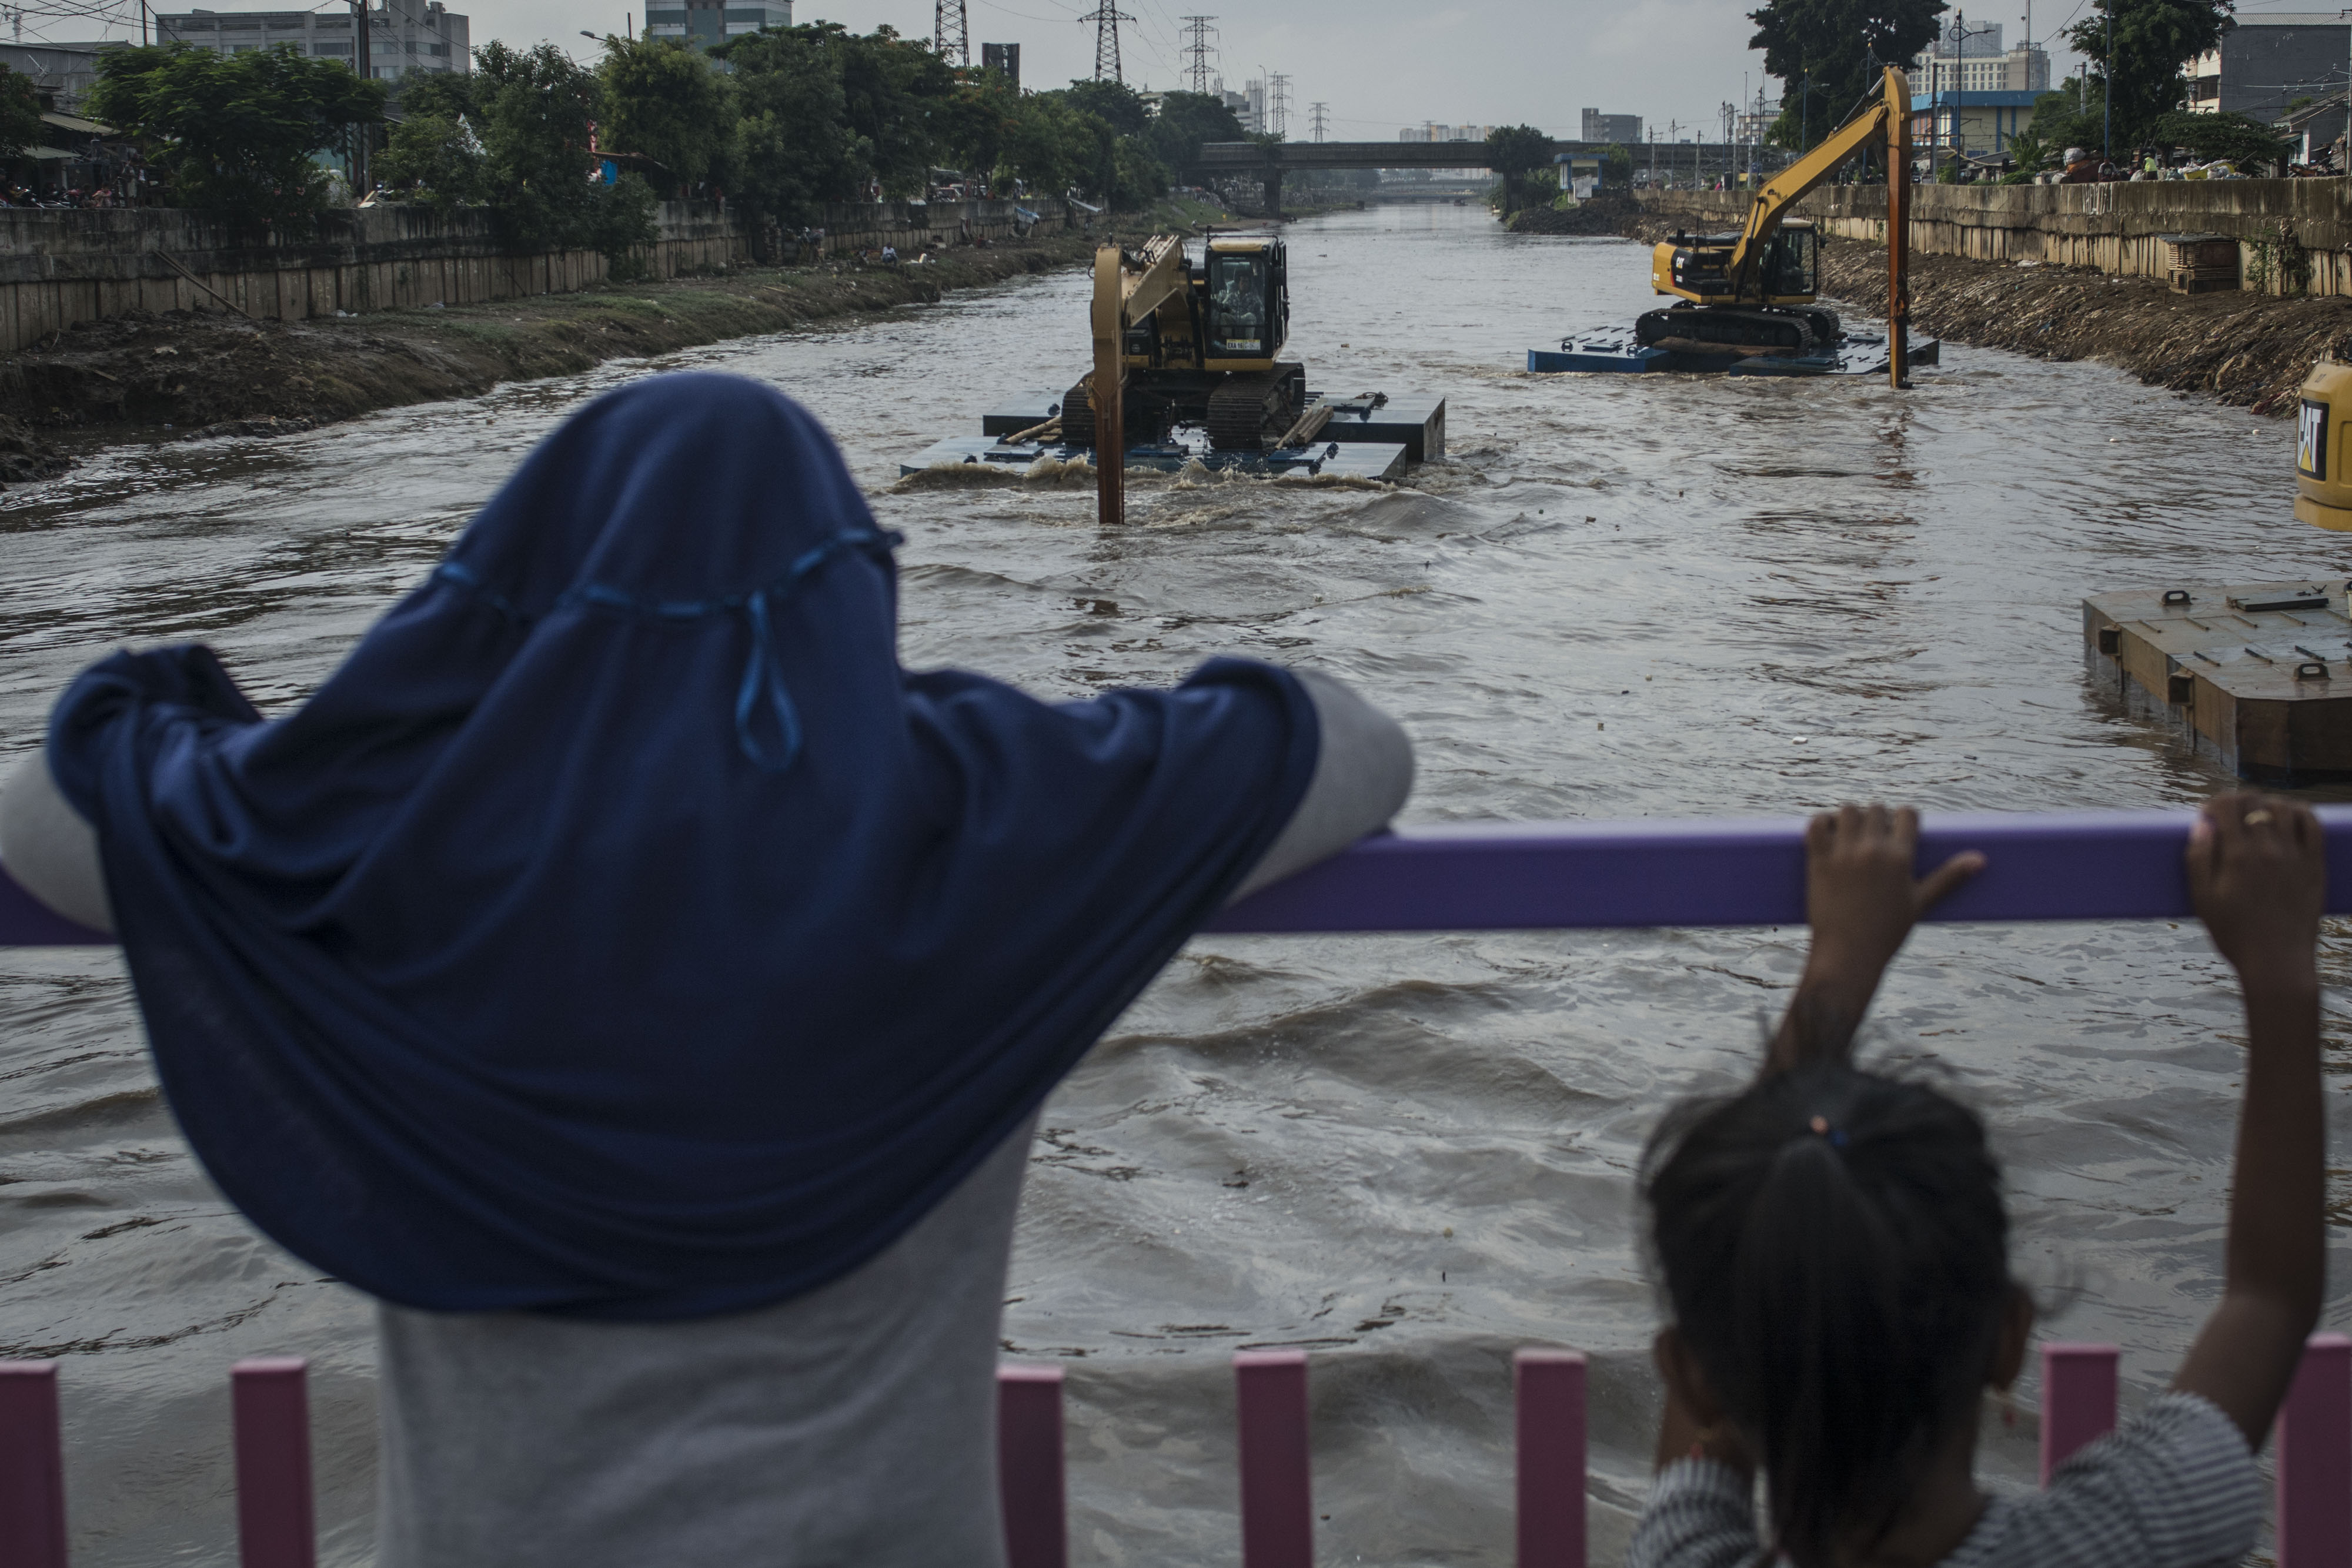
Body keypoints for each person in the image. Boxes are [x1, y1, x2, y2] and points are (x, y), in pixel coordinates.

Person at [0, 372, 1414, 1567]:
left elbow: (44, 811)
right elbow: (1356, 746)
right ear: (848, 584)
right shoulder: (976, 814)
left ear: (508, 587)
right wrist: (982, 736)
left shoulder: (388, 841)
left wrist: (351, 735)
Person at [1628, 798, 2322, 1568]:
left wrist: (1838, 966)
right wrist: (2281, 972)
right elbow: (2268, 1299)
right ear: (2009, 1337)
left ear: (1690, 1375)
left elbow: (2269, 1302)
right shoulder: (2124, 1541)